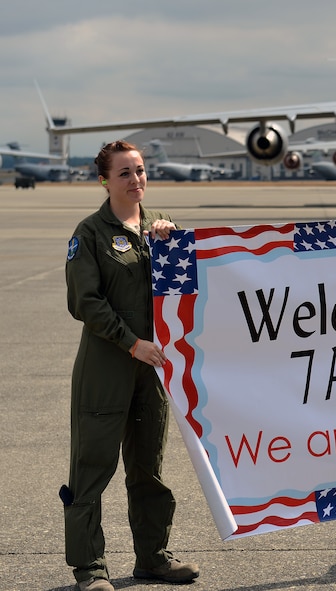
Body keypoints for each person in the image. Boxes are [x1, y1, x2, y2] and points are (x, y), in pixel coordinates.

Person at [63, 141, 199, 591]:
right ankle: (91, 569)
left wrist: (174, 239)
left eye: (140, 171)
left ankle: (154, 558)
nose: (136, 180)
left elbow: (185, 289)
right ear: (104, 180)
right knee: (92, 468)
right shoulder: (91, 234)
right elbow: (85, 303)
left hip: (152, 370)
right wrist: (131, 343)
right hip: (107, 369)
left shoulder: (159, 229)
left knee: (148, 468)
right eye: (124, 173)